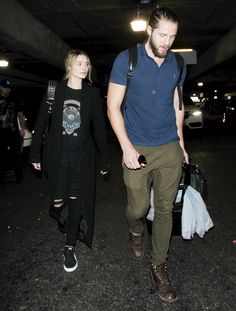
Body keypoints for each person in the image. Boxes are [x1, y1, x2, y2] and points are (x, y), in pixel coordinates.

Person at [107, 7, 189, 303]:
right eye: (162, 35)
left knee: (165, 210)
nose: (167, 41)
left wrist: (181, 142)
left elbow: (177, 104)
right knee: (139, 208)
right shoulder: (126, 60)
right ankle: (134, 230)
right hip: (137, 148)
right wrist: (126, 147)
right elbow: (113, 107)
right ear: (149, 31)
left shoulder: (178, 63)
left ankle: (159, 266)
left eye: (173, 36)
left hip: (168, 147)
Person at [30, 49, 110, 273]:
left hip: (81, 159)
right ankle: (65, 220)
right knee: (58, 203)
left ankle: (69, 245)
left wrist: (105, 159)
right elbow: (39, 124)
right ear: (69, 66)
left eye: (87, 63)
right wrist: (34, 153)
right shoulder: (54, 90)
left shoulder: (92, 94)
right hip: (57, 157)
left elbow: (99, 130)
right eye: (79, 63)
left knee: (76, 201)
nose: (84, 67)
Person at [0, 79, 25, 182]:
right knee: (2, 154)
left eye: (9, 88)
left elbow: (20, 114)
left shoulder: (14, 98)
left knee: (17, 153)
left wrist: (22, 128)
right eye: (5, 87)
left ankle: (19, 176)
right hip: (1, 132)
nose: (7, 90)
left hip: (13, 131)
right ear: (0, 87)